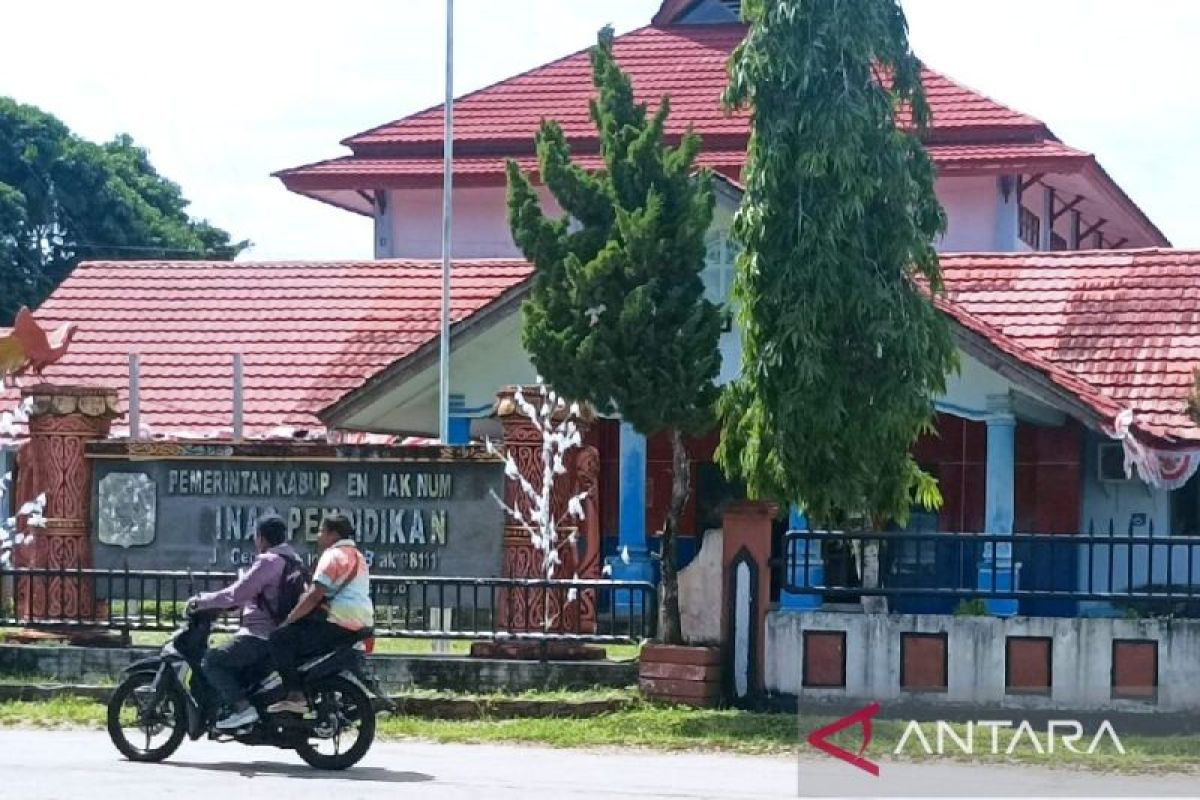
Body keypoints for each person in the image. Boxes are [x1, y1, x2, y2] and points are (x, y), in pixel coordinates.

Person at [188, 514, 304, 730]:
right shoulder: (293, 560)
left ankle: (242, 708)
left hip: (259, 636)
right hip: (280, 633)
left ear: (261, 538)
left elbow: (236, 594)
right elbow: (261, 596)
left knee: (211, 661)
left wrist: (201, 602)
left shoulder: (268, 561)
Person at [267, 512, 373, 714]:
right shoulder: (359, 557)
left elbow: (314, 595)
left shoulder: (333, 556)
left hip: (338, 622)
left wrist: (289, 620)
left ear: (333, 534)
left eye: (321, 531)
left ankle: (295, 694)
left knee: (279, 638)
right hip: (362, 623)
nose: (319, 537)